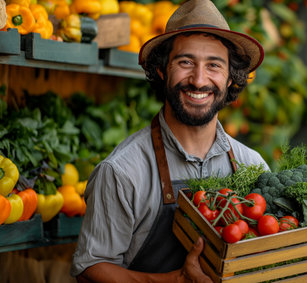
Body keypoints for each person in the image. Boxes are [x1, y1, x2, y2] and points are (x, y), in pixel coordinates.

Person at [71, 0, 268, 281]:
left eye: (214, 65)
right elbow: (90, 268)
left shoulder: (253, 166)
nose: (199, 80)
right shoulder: (122, 171)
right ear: (162, 70)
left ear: (230, 78)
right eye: (185, 62)